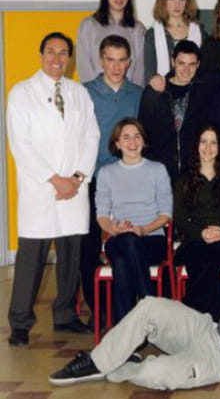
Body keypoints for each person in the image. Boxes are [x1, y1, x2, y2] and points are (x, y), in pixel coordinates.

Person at [48, 250, 220, 389]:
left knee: (156, 374)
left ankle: (120, 363)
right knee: (150, 306)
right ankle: (96, 362)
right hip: (207, 330)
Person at [6, 32, 99, 346]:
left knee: (71, 257)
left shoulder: (79, 93)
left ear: (70, 58)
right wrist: (55, 179)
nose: (57, 59)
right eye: (51, 51)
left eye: (63, 53)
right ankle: (20, 322)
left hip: (74, 186)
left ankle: (65, 315)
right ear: (41, 55)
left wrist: (77, 177)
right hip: (40, 187)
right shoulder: (22, 93)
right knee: (31, 260)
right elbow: (20, 143)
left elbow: (91, 137)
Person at [81, 35, 143, 325]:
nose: (116, 67)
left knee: (126, 242)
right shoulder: (85, 93)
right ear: (101, 60)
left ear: (129, 62)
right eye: (110, 60)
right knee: (89, 246)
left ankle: (128, 310)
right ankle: (99, 311)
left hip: (129, 180)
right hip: (93, 180)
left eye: (121, 60)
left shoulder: (138, 94)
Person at [95, 118, 172, 322]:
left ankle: (126, 332)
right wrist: (115, 229)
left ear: (144, 141)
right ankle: (151, 308)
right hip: (118, 238)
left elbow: (166, 213)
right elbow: (102, 215)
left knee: (122, 263)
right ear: (117, 143)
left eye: (137, 137)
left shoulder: (157, 169)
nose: (132, 142)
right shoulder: (106, 173)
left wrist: (143, 230)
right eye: (126, 137)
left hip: (152, 239)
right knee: (128, 241)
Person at [173, 125, 220, 321]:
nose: (208, 147)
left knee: (209, 258)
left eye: (213, 143)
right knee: (205, 258)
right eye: (203, 142)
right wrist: (201, 233)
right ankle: (216, 321)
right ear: (196, 145)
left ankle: (189, 314)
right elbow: (179, 217)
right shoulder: (183, 180)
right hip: (195, 240)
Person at [139, 40, 212, 180]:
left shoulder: (203, 92)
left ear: (198, 65)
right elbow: (143, 134)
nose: (186, 70)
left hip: (192, 173)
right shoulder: (155, 91)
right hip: (159, 172)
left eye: (191, 64)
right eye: (181, 63)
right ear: (172, 62)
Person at [77, 0, 146, 85]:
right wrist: (95, 90)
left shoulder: (138, 29)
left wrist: (133, 92)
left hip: (128, 92)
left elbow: (140, 69)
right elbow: (83, 65)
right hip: (95, 92)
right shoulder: (88, 25)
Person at [143, 0, 206, 86]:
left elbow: (203, 70)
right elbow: (150, 74)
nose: (177, 5)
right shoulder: (152, 34)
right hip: (163, 91)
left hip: (194, 91)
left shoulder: (199, 33)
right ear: (163, 2)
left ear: (187, 2)